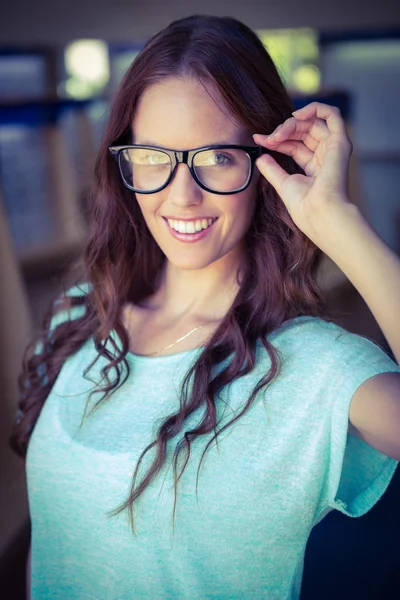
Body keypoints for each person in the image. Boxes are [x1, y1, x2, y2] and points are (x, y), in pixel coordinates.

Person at [9, 14, 400, 600]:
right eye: (153, 155)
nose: (181, 194)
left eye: (217, 157)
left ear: (264, 164)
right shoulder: (79, 316)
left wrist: (337, 225)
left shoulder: (316, 369)